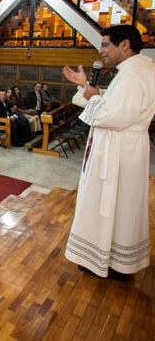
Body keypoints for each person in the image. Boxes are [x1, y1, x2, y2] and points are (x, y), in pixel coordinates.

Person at [62, 25, 155, 280]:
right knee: (120, 206)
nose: (100, 50)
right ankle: (112, 258)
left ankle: (103, 259)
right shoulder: (138, 70)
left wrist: (91, 95)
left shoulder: (133, 75)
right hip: (124, 148)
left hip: (117, 152)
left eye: (105, 44)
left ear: (124, 45)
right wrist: (86, 88)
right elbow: (115, 104)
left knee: (111, 204)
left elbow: (112, 115)